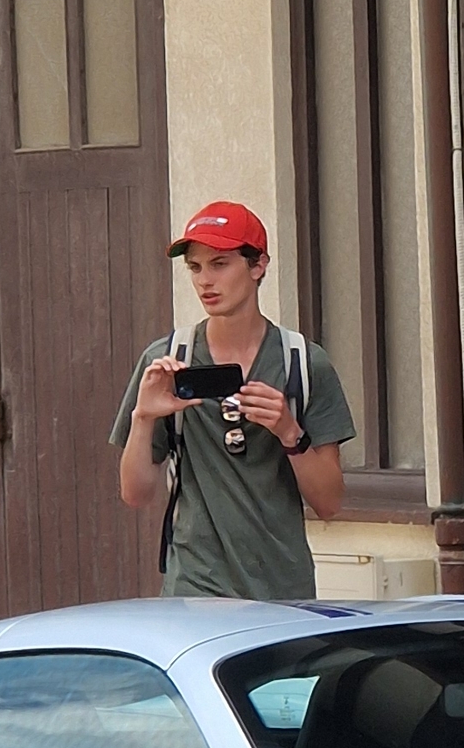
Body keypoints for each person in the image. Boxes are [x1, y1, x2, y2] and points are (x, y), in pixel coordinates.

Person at [113, 200, 354, 603]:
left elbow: (329, 503)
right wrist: (143, 418)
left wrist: (288, 432)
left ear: (258, 265)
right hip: (195, 586)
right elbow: (135, 495)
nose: (205, 281)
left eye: (220, 264)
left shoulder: (303, 362)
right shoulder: (169, 361)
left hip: (282, 588)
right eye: (195, 267)